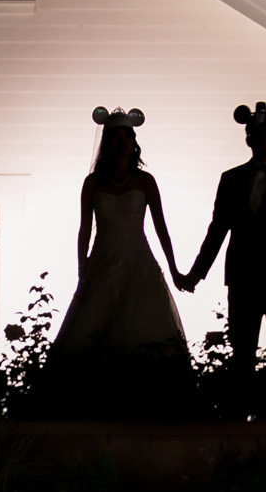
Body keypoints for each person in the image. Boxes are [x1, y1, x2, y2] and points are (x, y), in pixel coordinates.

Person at [178, 101, 266, 402]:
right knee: (242, 354)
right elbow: (217, 229)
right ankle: (240, 421)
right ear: (248, 139)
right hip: (243, 278)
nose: (265, 139)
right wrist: (196, 274)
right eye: (259, 134)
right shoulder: (231, 179)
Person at [49, 107, 187, 362]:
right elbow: (84, 230)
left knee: (142, 329)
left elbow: (161, 228)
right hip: (102, 263)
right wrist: (83, 270)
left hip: (139, 264)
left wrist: (175, 270)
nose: (122, 141)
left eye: (127, 136)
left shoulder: (146, 181)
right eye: (116, 136)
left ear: (134, 142)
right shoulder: (92, 183)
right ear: (106, 141)